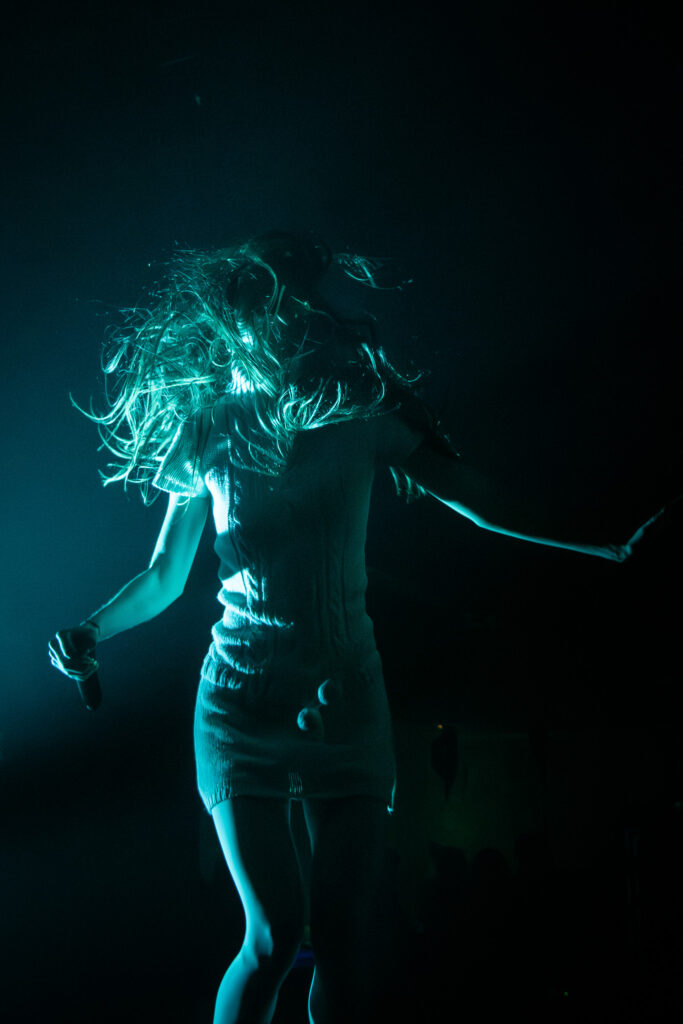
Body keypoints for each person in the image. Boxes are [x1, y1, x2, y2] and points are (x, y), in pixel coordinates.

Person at [48, 230, 669, 1024]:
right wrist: (90, 629)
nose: (283, 320)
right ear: (236, 319)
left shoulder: (360, 417)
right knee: (274, 938)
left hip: (346, 697)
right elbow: (166, 576)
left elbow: (473, 495)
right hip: (240, 703)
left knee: (341, 937)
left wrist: (603, 541)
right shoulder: (208, 429)